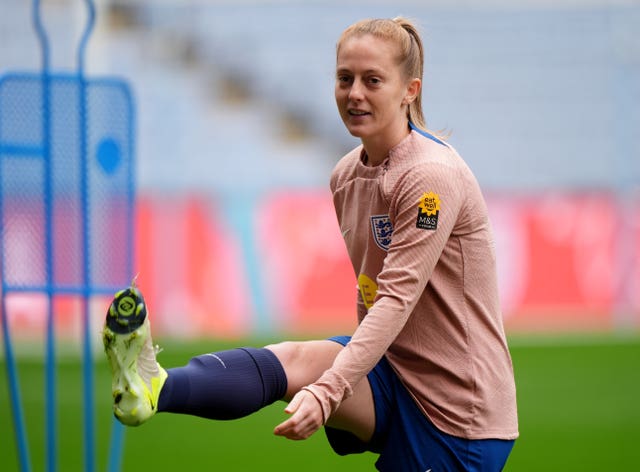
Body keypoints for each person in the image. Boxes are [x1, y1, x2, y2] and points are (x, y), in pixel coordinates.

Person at [103, 17, 518, 471]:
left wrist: (329, 389)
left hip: (458, 414)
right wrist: (337, 376)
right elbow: (371, 289)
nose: (354, 93)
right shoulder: (345, 176)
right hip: (397, 371)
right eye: (345, 79)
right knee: (296, 360)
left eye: (372, 80)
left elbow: (396, 299)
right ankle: (155, 388)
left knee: (316, 374)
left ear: (409, 90)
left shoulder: (429, 177)